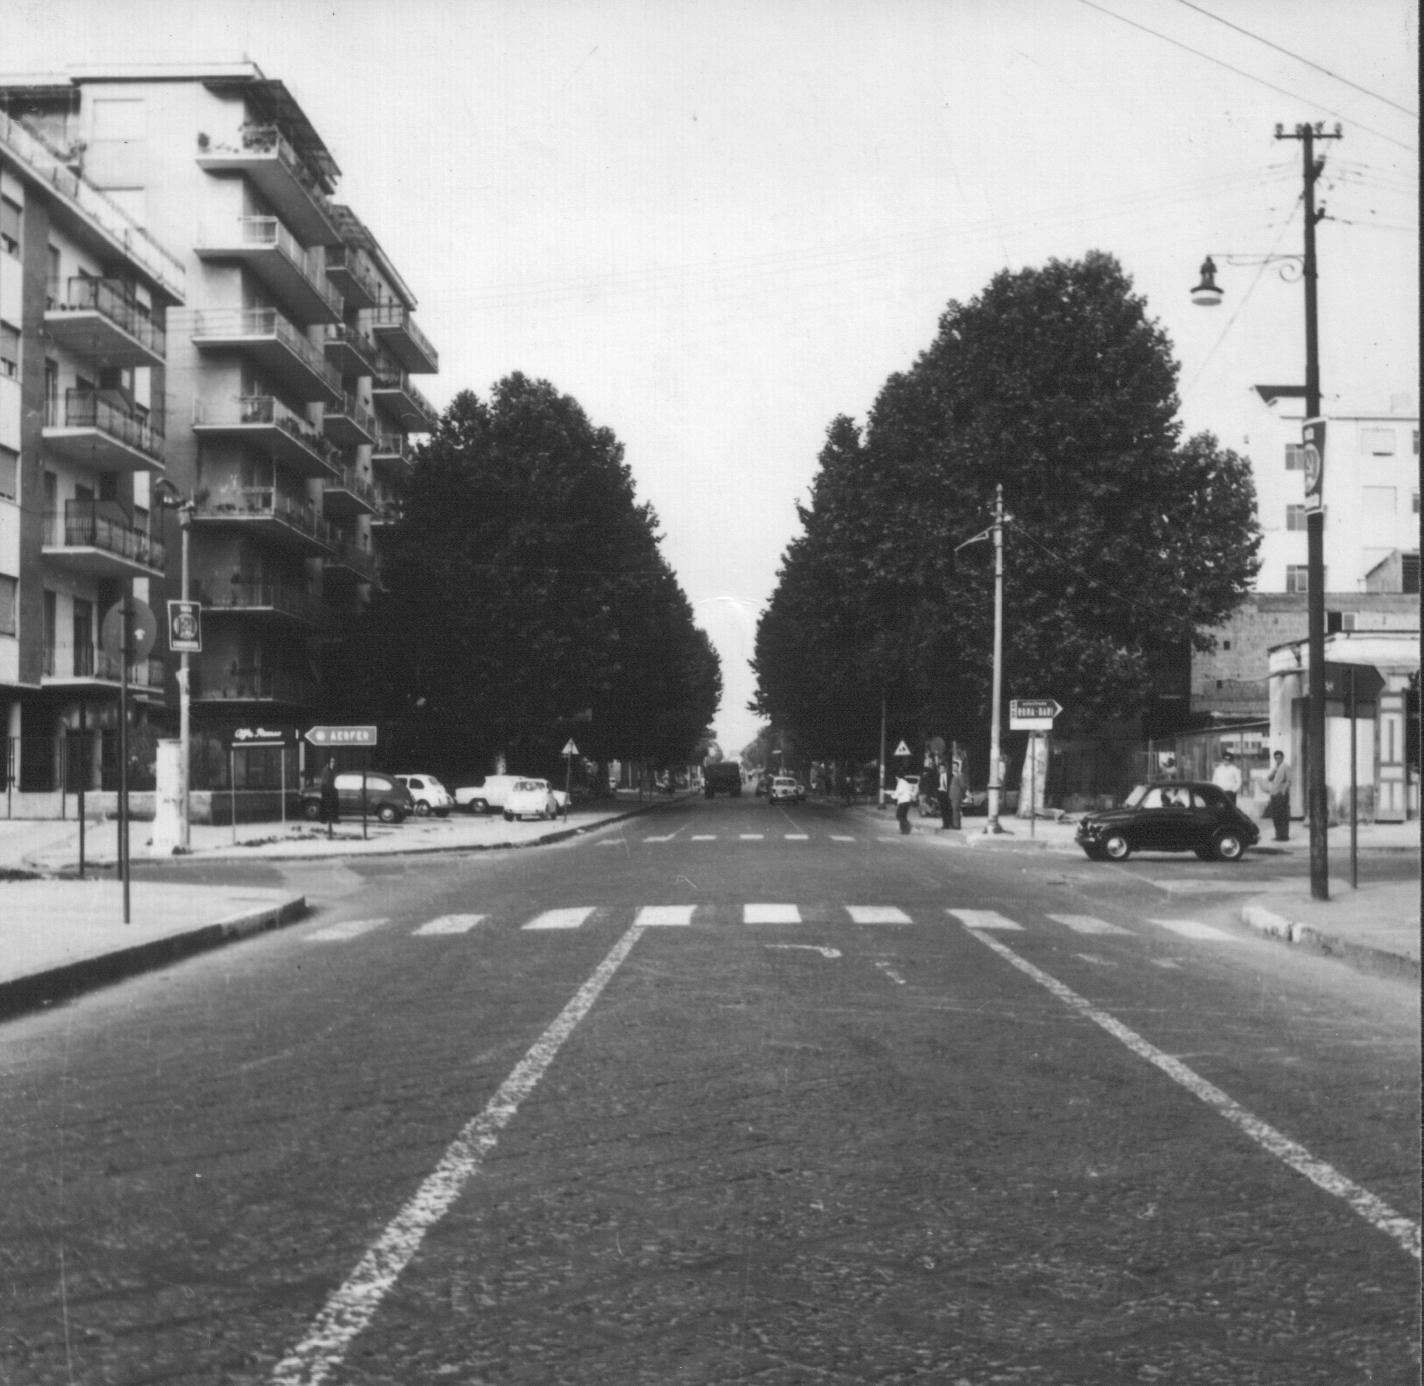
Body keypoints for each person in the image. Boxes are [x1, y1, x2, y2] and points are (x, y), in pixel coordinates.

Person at [1264, 750, 1292, 841]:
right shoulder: (1276, 767)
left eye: (1279, 757)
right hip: (1274, 793)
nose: (1278, 759)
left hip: (1281, 794)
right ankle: (1278, 835)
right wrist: (1274, 770)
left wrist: (1284, 791)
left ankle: (1284, 835)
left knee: (1282, 815)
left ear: (1283, 757)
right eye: (1276, 757)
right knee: (1276, 815)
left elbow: (1288, 780)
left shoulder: (1286, 766)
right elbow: (1269, 778)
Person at [319, 757, 339, 837]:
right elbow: (325, 781)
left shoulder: (332, 769)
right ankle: (324, 819)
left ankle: (333, 819)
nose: (333, 763)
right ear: (329, 762)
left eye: (334, 761)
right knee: (326, 804)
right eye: (332, 761)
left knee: (333, 804)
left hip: (331, 788)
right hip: (326, 789)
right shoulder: (326, 769)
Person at [948, 760, 966, 830]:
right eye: (952, 766)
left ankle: (956, 825)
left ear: (958, 767)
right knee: (956, 810)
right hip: (953, 795)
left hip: (957, 795)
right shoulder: (954, 775)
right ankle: (957, 824)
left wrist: (963, 795)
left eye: (955, 766)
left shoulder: (960, 775)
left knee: (955, 810)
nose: (953, 768)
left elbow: (963, 786)